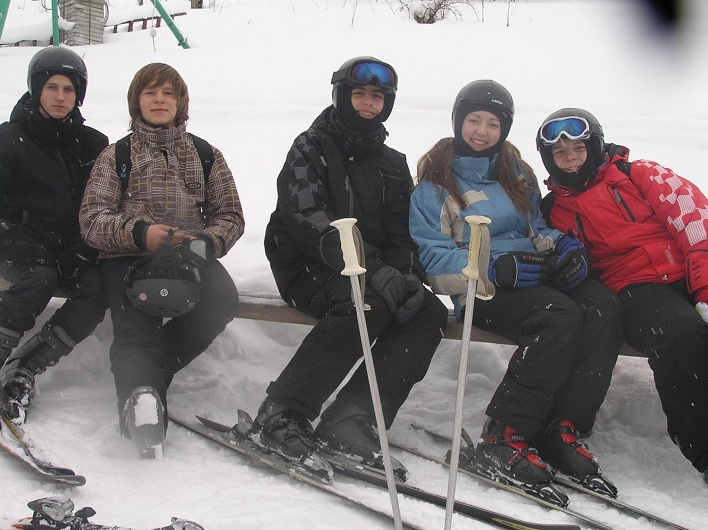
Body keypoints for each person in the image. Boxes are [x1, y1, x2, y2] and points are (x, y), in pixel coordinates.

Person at [409, 81, 622, 500]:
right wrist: (490, 270)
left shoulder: (515, 171)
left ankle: (562, 425)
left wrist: (564, 246)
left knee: (603, 306)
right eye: (474, 120)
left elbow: (536, 227)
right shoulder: (434, 185)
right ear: (458, 121)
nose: (482, 131)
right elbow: (433, 261)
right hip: (481, 289)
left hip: (531, 273)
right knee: (557, 316)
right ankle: (505, 434)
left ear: (504, 128)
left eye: (493, 123)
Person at [255, 56, 448, 475]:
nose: (367, 103)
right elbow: (308, 217)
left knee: (426, 311)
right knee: (366, 300)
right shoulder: (310, 147)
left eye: (377, 96)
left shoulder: (392, 163)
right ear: (342, 97)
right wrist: (370, 268)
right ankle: (282, 410)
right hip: (307, 264)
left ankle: (353, 418)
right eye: (359, 94)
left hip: (371, 268)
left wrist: (405, 274)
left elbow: (401, 230)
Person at [79, 63, 244, 458]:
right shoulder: (116, 155)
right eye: (150, 92)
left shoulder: (205, 154)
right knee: (137, 328)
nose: (159, 100)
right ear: (136, 101)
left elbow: (231, 216)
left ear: (180, 102)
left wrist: (201, 245)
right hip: (127, 256)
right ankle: (142, 410)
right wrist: (141, 233)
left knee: (222, 300)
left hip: (190, 254)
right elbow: (92, 219)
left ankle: (146, 379)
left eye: (168, 93)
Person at [537, 107, 708, 485]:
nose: (570, 160)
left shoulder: (639, 174)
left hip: (687, 268)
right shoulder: (553, 209)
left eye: (578, 149)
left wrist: (704, 286)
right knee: (681, 336)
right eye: (559, 154)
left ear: (595, 146)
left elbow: (694, 218)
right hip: (636, 287)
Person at [0, 47, 109, 424]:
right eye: (51, 87)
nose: (60, 96)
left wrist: (83, 249)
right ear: (36, 89)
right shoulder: (8, 139)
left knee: (98, 288)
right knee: (39, 278)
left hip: (71, 247)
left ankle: (24, 368)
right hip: (16, 242)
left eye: (68, 89)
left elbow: (103, 204)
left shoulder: (94, 144)